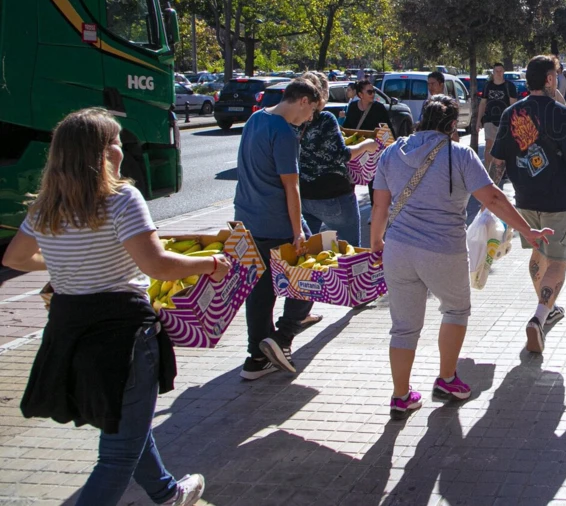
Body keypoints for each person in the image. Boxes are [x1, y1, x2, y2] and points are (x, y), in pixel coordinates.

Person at [3, 108, 230, 506]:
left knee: (128, 424)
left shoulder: (45, 205)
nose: (123, 150)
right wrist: (210, 263)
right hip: (122, 332)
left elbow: (17, 258)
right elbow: (156, 264)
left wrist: (63, 263)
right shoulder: (122, 197)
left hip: (69, 329)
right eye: (118, 142)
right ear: (104, 152)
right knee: (116, 457)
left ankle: (167, 492)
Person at [371, 95, 552, 415]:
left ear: (421, 119)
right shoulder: (459, 155)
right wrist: (528, 230)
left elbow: (380, 207)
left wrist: (376, 242)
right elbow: (493, 199)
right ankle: (446, 378)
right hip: (442, 250)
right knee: (455, 310)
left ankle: (401, 397)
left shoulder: (390, 154)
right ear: (453, 125)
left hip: (397, 249)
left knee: (403, 326)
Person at [489, 55, 566, 354]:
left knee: (538, 254)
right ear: (549, 79)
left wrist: (490, 198)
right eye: (556, 75)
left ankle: (547, 308)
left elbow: (497, 163)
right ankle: (539, 317)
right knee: (558, 261)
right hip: (557, 202)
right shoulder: (564, 115)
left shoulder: (511, 113)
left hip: (524, 201)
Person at [235, 78, 322, 380]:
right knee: (312, 274)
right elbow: (291, 186)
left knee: (258, 292)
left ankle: (256, 359)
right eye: (312, 111)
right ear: (303, 101)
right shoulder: (284, 132)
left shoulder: (255, 119)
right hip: (276, 222)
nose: (310, 118)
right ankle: (282, 337)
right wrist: (298, 231)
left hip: (247, 221)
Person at [298, 72, 378, 249]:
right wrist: (365, 145)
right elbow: (342, 154)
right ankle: (346, 277)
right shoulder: (326, 119)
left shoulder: (294, 121)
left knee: (308, 251)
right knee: (349, 250)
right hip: (334, 195)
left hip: (304, 195)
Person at [475, 63, 518, 173]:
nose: (499, 73)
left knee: (504, 147)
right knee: (489, 145)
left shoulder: (509, 86)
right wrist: (479, 120)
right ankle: (487, 171)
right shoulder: (488, 86)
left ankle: (502, 171)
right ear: (493, 73)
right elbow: (483, 103)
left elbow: (513, 105)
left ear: (503, 72)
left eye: (501, 71)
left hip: (505, 121)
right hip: (489, 119)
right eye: (496, 71)